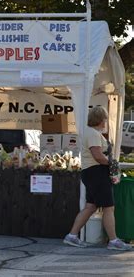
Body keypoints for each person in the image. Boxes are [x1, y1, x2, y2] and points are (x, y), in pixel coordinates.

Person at [63, 106, 131, 251]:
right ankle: (113, 241)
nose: (106, 121)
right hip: (97, 173)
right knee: (109, 207)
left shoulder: (89, 132)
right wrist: (112, 163)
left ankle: (72, 236)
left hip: (90, 173)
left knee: (91, 206)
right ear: (101, 119)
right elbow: (98, 156)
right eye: (105, 118)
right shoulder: (94, 134)